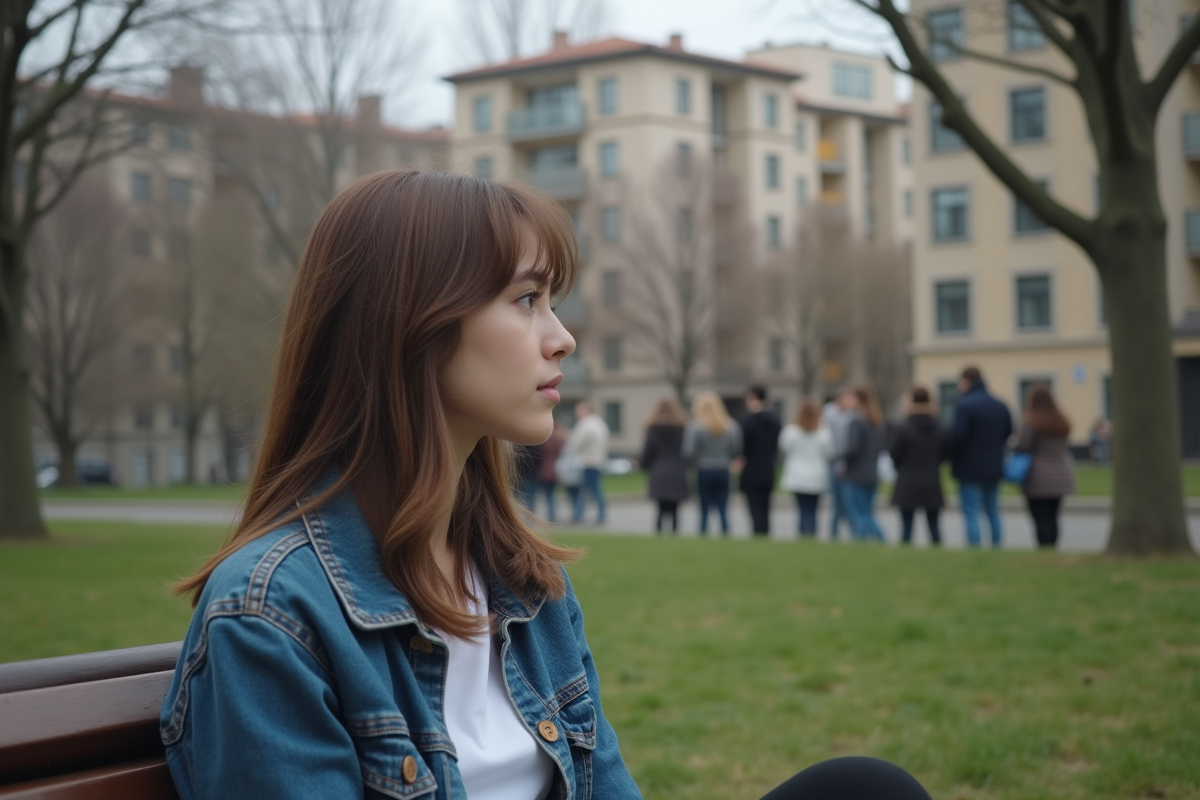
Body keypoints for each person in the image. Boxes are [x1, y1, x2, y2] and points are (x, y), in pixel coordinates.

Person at [159, 171, 932, 800]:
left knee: (866, 789)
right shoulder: (270, 616)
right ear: (411, 326)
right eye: (527, 300)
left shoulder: (523, 581)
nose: (562, 338)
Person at [950, 366, 1013, 548]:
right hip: (994, 465)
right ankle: (996, 547)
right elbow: (1008, 432)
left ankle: (975, 548)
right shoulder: (1000, 405)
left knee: (971, 511)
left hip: (969, 467)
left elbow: (957, 437)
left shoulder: (965, 405)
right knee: (992, 510)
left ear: (966, 382)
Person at [1015, 385, 1076, 548]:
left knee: (1040, 518)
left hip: (1038, 476)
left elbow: (1023, 445)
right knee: (1053, 516)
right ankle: (1052, 548)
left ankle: (1044, 549)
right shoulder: (1062, 421)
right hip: (1061, 473)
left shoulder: (1031, 421)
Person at [889, 386, 950, 546]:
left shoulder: (903, 427)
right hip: (932, 480)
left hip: (907, 480)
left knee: (906, 529)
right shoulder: (940, 427)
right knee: (934, 528)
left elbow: (895, 454)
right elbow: (946, 453)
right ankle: (938, 555)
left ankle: (905, 556)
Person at [683, 391, 742, 536]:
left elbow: (688, 451)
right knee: (723, 508)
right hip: (723, 469)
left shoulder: (695, 427)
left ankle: (703, 535)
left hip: (703, 469)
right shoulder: (730, 426)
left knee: (704, 508)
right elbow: (736, 449)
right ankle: (725, 535)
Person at [778, 400, 833, 537]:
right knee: (813, 509)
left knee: (802, 509)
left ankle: (802, 534)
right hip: (816, 475)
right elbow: (830, 453)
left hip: (797, 474)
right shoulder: (824, 433)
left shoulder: (791, 431)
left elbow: (783, 448)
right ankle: (811, 534)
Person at [839, 385, 887, 542]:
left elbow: (852, 449)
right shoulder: (876, 421)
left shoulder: (856, 421)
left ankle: (862, 542)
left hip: (856, 474)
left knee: (858, 514)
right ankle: (881, 540)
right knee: (868, 513)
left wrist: (840, 456)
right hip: (872, 473)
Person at [737, 385, 782, 536]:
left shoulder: (749, 421)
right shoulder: (774, 420)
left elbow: (743, 447)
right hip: (768, 468)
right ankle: (765, 533)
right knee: (766, 506)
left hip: (751, 469)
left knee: (754, 506)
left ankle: (758, 533)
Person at [640, 397, 690, 534]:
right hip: (677, 471)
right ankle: (674, 536)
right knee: (675, 510)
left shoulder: (652, 429)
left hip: (659, 471)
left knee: (660, 509)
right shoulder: (683, 428)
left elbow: (647, 453)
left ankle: (659, 535)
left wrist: (645, 466)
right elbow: (688, 452)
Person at [822, 388, 856, 540]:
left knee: (849, 502)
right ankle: (834, 534)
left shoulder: (853, 416)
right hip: (833, 462)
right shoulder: (829, 414)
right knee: (836, 502)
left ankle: (854, 533)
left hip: (848, 463)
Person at [568, 401, 609, 524]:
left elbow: (575, 443)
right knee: (594, 489)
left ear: (586, 410)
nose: (577, 413)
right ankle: (599, 514)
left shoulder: (585, 424)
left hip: (587, 461)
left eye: (579, 410)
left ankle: (578, 515)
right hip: (598, 461)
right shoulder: (600, 424)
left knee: (586, 490)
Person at [535, 422, 566, 522]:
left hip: (544, 470)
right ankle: (552, 516)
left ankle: (537, 515)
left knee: (539, 495)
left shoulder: (545, 441)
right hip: (555, 471)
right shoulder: (560, 441)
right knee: (551, 496)